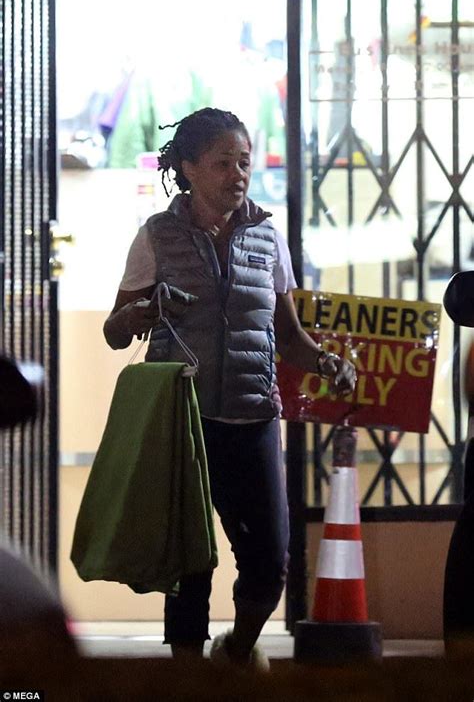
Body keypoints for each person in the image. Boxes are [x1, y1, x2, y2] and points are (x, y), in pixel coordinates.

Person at [103, 107, 357, 669]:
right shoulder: (157, 237)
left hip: (253, 419)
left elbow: (288, 337)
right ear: (189, 168)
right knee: (190, 561)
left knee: (270, 562)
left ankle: (237, 650)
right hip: (183, 421)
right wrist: (139, 314)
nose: (238, 173)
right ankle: (188, 674)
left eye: (243, 161)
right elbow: (114, 331)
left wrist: (327, 363)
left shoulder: (268, 237)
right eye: (222, 163)